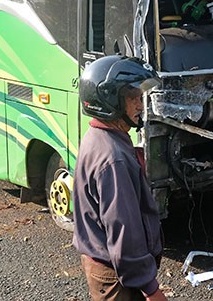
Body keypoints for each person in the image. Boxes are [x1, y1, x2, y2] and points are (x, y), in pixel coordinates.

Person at [72, 55, 167, 301]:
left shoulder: (99, 136)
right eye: (133, 98)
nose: (140, 105)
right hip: (117, 276)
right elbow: (125, 233)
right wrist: (151, 289)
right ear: (109, 100)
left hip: (108, 267)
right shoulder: (113, 159)